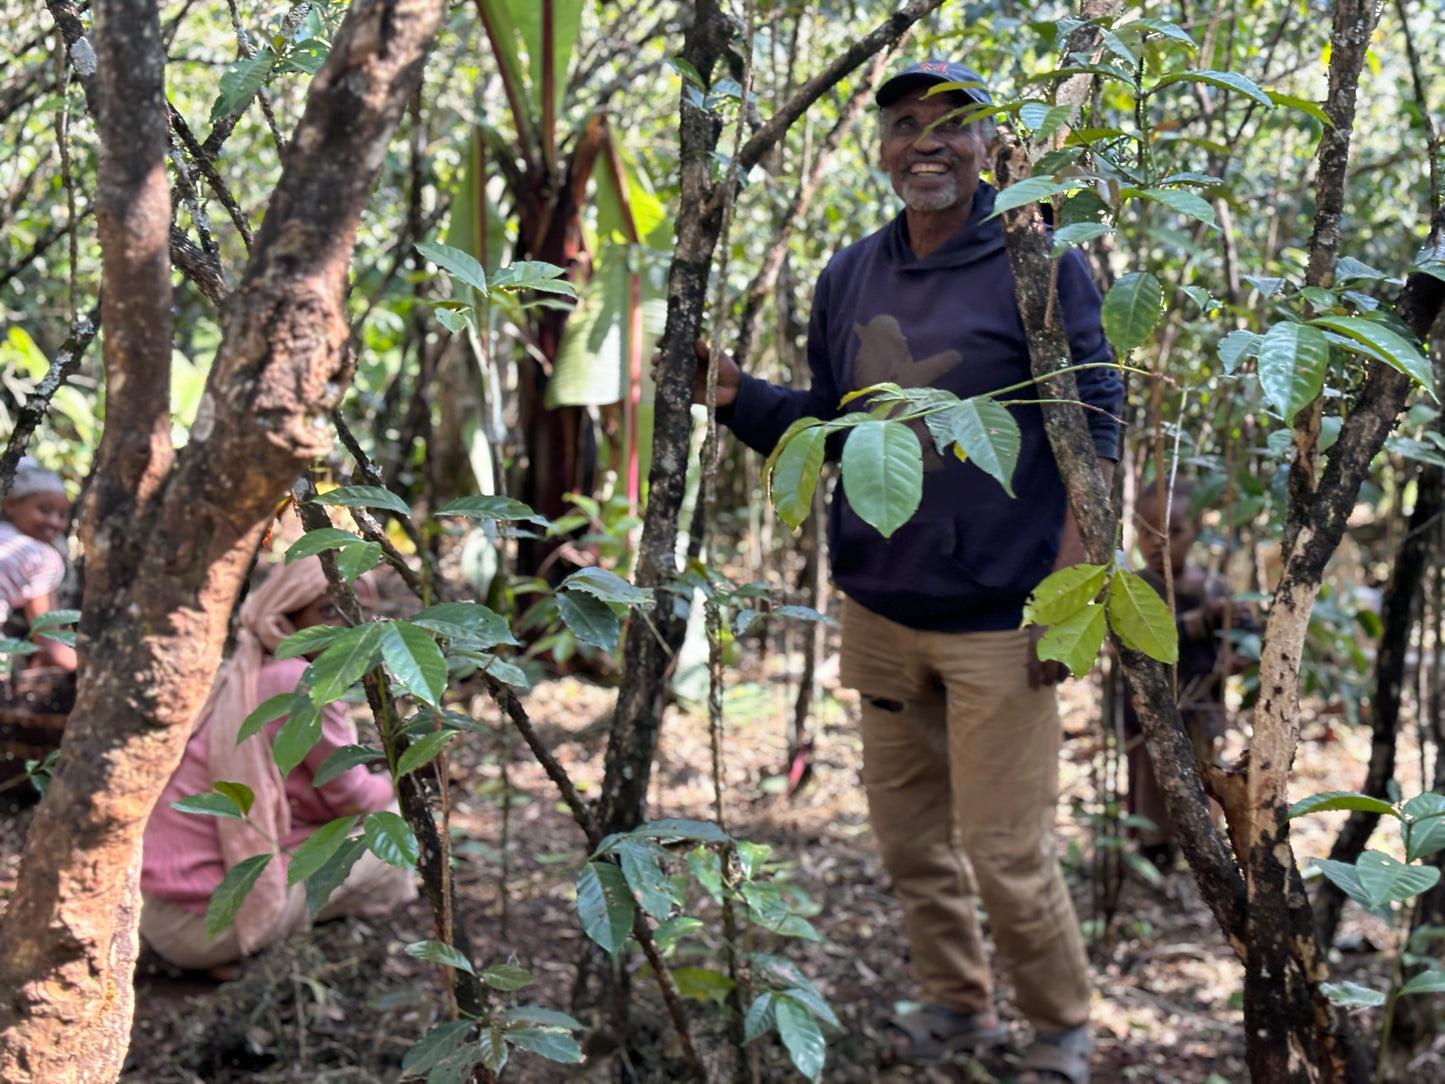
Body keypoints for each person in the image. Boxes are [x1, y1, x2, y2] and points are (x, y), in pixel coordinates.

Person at [700, 60, 1122, 1083]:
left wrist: (1075, 594)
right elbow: (834, 429)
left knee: (1006, 853)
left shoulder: (1040, 265)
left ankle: (1058, 1028)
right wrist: (734, 395)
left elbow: (1096, 428)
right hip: (880, 607)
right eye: (903, 124)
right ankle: (954, 1004)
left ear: (987, 148)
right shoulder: (848, 274)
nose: (923, 142)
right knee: (910, 844)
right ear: (880, 145)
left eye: (948, 126)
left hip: (1001, 617)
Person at [140, 554, 415, 976]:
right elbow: (352, 798)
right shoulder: (301, 682)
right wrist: (403, 782)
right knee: (398, 829)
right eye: (328, 611)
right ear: (286, 617)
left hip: (157, 912)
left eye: (360, 613)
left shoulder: (242, 672)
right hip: (204, 925)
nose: (349, 627)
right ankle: (263, 946)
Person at [1125, 481, 1255, 870]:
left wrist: (1238, 655)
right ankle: (1153, 848)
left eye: (1172, 532)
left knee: (1203, 775)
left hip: (1202, 705)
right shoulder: (1136, 588)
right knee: (1150, 779)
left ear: (1196, 530)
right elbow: (1140, 639)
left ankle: (1201, 854)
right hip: (1146, 712)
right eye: (1145, 531)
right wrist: (1197, 622)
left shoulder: (1214, 587)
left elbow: (1247, 633)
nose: (1156, 543)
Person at [1, 457, 76, 671]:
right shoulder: (41, 557)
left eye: (62, 515)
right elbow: (50, 645)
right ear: (11, 504)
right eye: (44, 509)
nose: (54, 521)